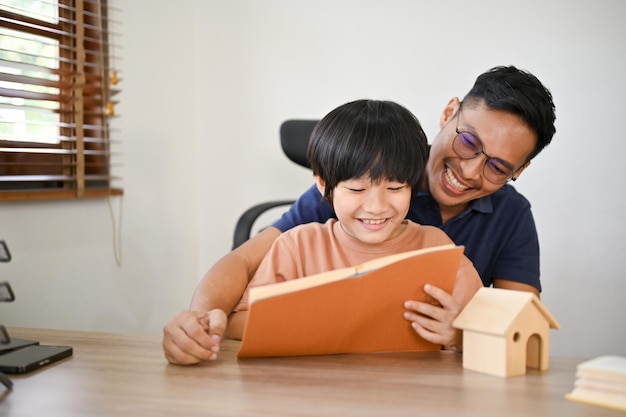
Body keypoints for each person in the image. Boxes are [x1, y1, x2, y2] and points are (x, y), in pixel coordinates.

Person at [162, 65, 556, 365]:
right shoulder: (341, 198)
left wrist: (463, 335)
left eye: (498, 167)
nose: (470, 171)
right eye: (469, 142)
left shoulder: (486, 226)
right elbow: (245, 263)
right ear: (449, 113)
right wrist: (202, 324)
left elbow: (520, 333)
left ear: (518, 171)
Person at [227, 99, 483, 352]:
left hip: (410, 389)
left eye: (395, 188)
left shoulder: (436, 249)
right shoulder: (297, 247)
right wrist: (303, 323)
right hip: (315, 388)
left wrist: (459, 336)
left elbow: (493, 329)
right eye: (356, 189)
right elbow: (235, 324)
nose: (376, 207)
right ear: (323, 185)